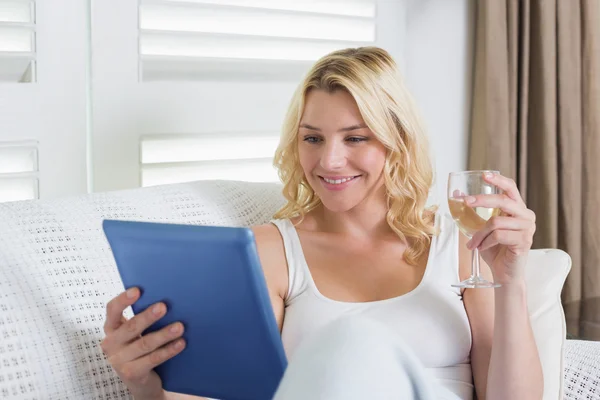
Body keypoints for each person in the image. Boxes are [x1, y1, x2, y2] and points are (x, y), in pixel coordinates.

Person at [100, 47, 543, 400]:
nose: (329, 161)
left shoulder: (461, 247)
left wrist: (511, 281)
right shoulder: (268, 252)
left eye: (355, 138)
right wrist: (148, 389)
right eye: (313, 138)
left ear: (398, 143)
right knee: (348, 343)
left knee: (354, 340)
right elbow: (226, 391)